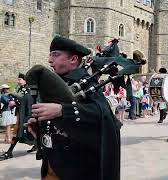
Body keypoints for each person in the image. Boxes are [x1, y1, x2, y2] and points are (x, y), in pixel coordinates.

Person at [25, 36, 120, 180]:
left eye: (56, 55)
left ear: (73, 59)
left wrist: (62, 110)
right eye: (50, 55)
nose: (50, 60)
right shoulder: (56, 83)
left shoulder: (87, 84)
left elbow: (102, 115)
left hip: (79, 168)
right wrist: (40, 129)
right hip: (53, 166)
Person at [0, 73, 36, 161]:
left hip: (27, 115)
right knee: (19, 132)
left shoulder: (31, 90)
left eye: (20, 79)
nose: (18, 81)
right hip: (21, 114)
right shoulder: (22, 90)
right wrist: (15, 102)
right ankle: (10, 151)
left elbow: (30, 102)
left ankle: (9, 152)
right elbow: (22, 100)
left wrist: (16, 102)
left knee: (24, 132)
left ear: (25, 80)